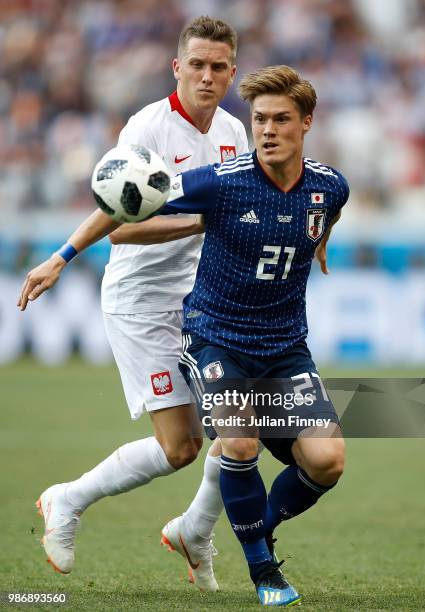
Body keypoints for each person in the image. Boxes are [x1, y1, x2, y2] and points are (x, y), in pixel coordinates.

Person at [17, 16, 248, 591]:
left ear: (232, 72)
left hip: (202, 299)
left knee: (237, 424)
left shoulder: (235, 134)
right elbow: (120, 222)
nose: (207, 75)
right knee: (180, 448)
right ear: (178, 66)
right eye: (197, 63)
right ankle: (67, 499)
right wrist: (62, 256)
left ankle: (196, 530)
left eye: (219, 66)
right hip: (141, 302)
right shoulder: (149, 126)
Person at [152, 65, 349, 606]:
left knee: (327, 461)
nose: (267, 130)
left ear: (306, 123)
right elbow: (125, 221)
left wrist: (320, 242)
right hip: (215, 335)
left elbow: (325, 214)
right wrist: (66, 253)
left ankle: (249, 528)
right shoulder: (221, 182)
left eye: (281, 119)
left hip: (285, 347)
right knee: (239, 440)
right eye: (259, 119)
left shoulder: (330, 186)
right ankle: (264, 572)